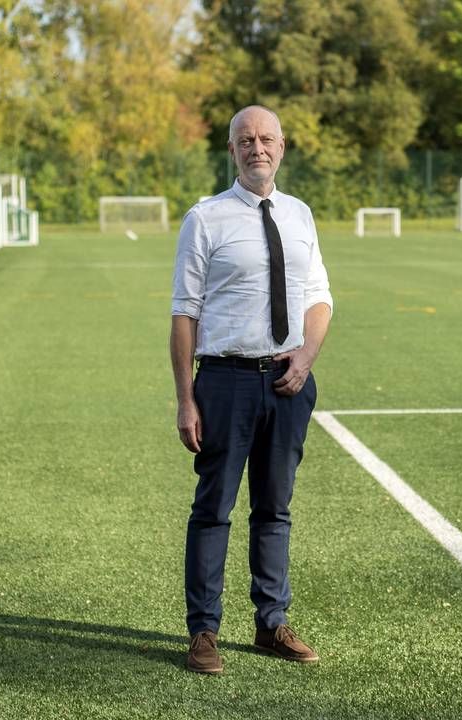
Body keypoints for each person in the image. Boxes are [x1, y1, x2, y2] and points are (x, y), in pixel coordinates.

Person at [170, 105, 333, 674]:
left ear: (282, 148)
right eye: (246, 140)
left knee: (275, 509)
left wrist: (308, 356)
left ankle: (271, 623)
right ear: (232, 150)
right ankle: (204, 632)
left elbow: (318, 297)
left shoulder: (300, 214)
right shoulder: (205, 218)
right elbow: (184, 313)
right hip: (224, 382)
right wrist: (186, 397)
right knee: (213, 508)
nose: (257, 147)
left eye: (266, 139)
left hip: (289, 382)